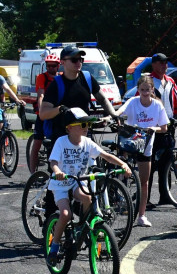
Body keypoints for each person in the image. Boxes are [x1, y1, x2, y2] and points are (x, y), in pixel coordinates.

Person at [46, 109, 132, 260]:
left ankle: (82, 228)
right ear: (69, 127)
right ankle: (55, 245)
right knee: (65, 214)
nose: (87, 127)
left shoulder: (87, 142)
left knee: (87, 198)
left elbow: (106, 156)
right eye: (83, 124)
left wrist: (123, 164)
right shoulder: (61, 142)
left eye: (88, 124)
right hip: (61, 183)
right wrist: (57, 170)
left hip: (77, 181)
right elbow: (53, 161)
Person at [38, 44, 121, 143]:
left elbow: (102, 99)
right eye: (74, 60)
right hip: (62, 136)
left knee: (95, 156)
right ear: (62, 62)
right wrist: (60, 109)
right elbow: (43, 114)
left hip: (84, 132)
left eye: (80, 59)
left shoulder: (87, 78)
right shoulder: (56, 84)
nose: (78, 62)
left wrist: (114, 115)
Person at [118, 73, 169, 226]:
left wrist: (153, 128)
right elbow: (120, 112)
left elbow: (164, 128)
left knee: (144, 181)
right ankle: (119, 195)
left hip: (146, 147)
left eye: (148, 90)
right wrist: (117, 120)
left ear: (152, 90)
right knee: (123, 172)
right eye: (142, 90)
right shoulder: (133, 102)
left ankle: (142, 215)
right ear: (138, 90)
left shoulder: (157, 105)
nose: (145, 93)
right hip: (130, 143)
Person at [147, 52, 177, 207]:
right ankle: (145, 199)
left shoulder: (170, 81)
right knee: (150, 163)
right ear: (153, 64)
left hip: (169, 126)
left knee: (167, 162)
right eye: (160, 63)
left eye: (165, 63)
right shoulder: (148, 81)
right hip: (153, 127)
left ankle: (165, 196)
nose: (164, 66)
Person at [29, 51, 61, 172]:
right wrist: (43, 112)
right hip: (43, 114)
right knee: (37, 143)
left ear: (58, 66)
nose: (50, 68)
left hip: (57, 113)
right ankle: (32, 173)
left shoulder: (61, 77)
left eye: (53, 66)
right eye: (48, 66)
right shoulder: (41, 77)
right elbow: (40, 95)